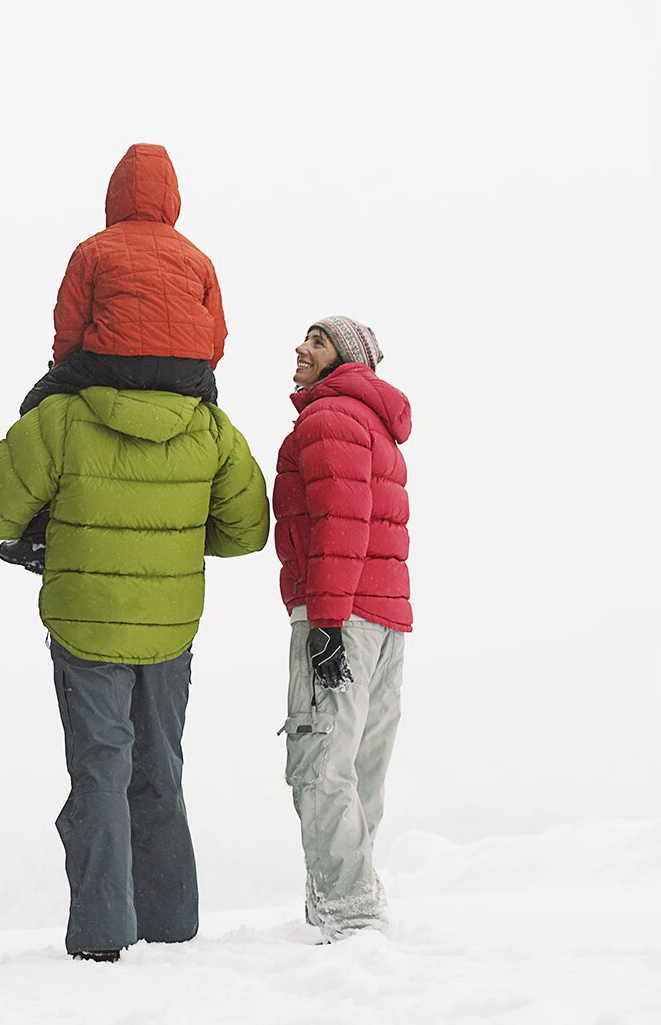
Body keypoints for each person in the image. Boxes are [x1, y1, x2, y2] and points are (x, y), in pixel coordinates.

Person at [0, 385, 268, 961]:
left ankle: (101, 933)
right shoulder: (208, 426)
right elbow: (247, 530)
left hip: (86, 620)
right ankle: (170, 924)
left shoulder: (64, 416)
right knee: (161, 767)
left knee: (100, 772)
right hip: (169, 623)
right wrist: (173, 536)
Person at [0, 142, 229, 575]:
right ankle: (201, 518)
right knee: (212, 432)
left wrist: (62, 374)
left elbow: (68, 324)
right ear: (172, 198)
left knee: (36, 408)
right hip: (189, 369)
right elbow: (216, 335)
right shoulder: (199, 258)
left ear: (115, 195)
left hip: (113, 359)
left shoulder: (94, 249)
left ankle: (36, 534)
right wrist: (195, 375)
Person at [272, 316, 412, 942]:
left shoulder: (330, 420)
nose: (300, 347)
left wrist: (325, 624)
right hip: (384, 618)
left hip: (341, 614)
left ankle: (349, 916)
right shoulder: (378, 428)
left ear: (343, 359)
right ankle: (349, 904)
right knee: (357, 766)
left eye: (317, 341)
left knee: (321, 758)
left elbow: (340, 525)